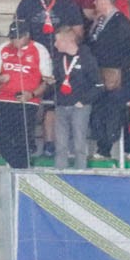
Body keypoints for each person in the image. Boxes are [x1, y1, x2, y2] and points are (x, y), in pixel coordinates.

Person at [86, 0, 130, 158]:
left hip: (119, 74)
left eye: (97, 0)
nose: (95, 3)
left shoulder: (119, 20)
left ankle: (127, 147)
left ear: (105, 1)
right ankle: (103, 147)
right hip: (103, 72)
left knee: (118, 110)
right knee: (101, 109)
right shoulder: (102, 19)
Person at [0, 21, 50, 169]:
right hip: (4, 98)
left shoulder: (39, 49)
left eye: (18, 37)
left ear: (27, 35)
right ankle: (19, 166)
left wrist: (32, 94)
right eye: (12, 37)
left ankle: (21, 168)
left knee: (21, 138)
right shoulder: (4, 47)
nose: (15, 41)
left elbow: (47, 80)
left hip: (27, 101)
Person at [49, 25, 101, 170]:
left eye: (57, 41)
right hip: (61, 104)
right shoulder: (59, 59)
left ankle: (80, 171)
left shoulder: (87, 58)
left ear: (67, 41)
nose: (55, 44)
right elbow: (60, 78)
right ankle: (60, 171)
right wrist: (52, 81)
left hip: (80, 106)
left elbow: (98, 85)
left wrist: (83, 101)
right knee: (60, 143)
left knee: (79, 142)